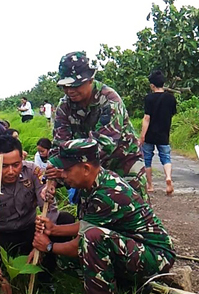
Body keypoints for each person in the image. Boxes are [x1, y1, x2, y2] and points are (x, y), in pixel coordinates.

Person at [32, 139, 175, 294]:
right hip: (130, 244)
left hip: (155, 254)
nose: (63, 175)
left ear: (85, 169)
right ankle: (127, 284)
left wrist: (48, 246)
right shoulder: (92, 182)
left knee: (91, 239)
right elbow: (87, 223)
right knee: (68, 260)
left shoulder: (108, 194)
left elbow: (80, 242)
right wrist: (53, 230)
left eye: (67, 170)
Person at [0, 136, 75, 275]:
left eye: (16, 164)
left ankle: (47, 275)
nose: (11, 171)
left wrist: (41, 243)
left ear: (22, 159)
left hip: (29, 231)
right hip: (0, 237)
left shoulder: (33, 172)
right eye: (4, 166)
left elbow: (49, 208)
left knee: (65, 219)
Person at [50, 51, 146, 196]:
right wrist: (53, 175)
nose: (70, 91)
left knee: (134, 212)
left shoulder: (109, 100)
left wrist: (67, 169)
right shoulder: (64, 106)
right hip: (86, 170)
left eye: (75, 85)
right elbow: (59, 143)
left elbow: (103, 145)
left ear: (90, 80)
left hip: (123, 162)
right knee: (90, 214)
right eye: (65, 86)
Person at [138, 70, 177, 195]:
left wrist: (142, 136)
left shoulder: (149, 98)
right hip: (164, 133)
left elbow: (146, 118)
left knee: (147, 159)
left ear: (152, 85)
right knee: (166, 158)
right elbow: (172, 113)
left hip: (150, 134)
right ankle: (168, 178)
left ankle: (150, 185)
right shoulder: (171, 98)